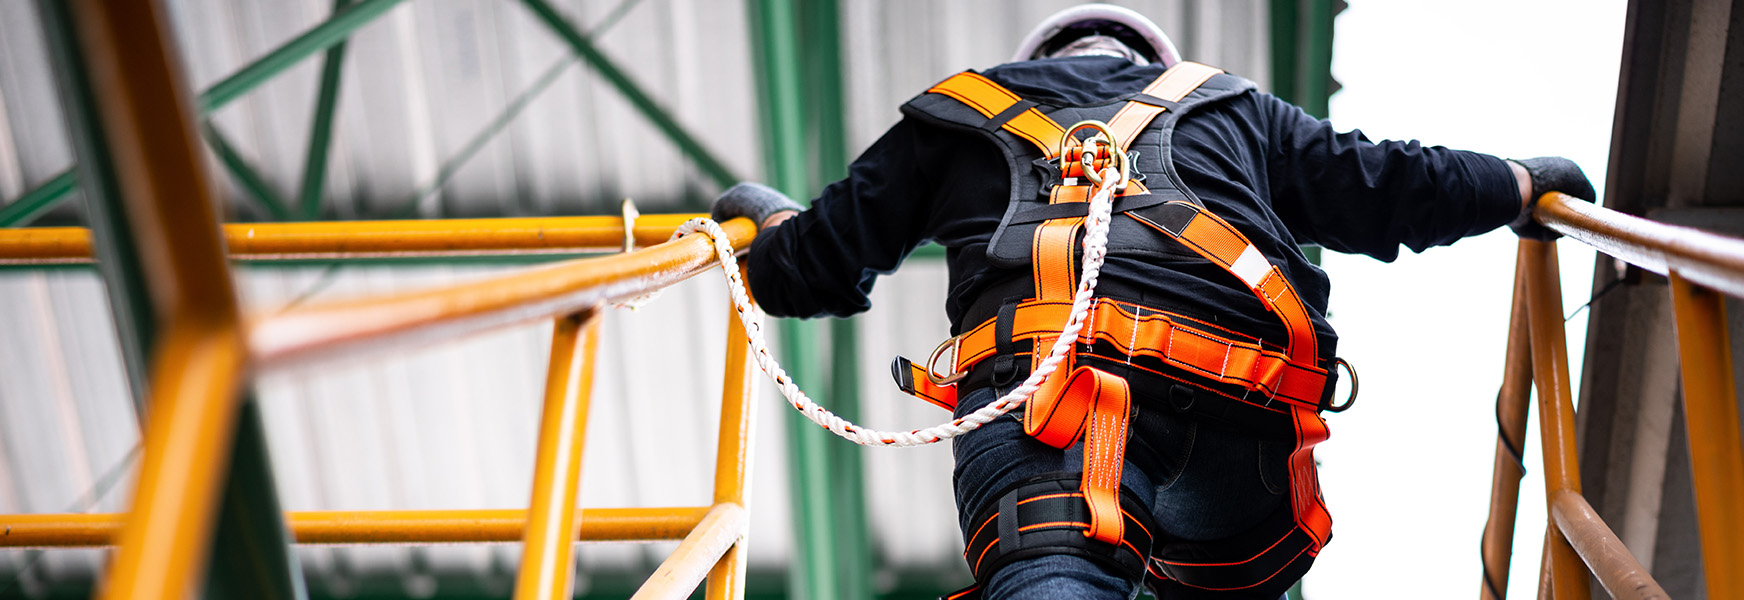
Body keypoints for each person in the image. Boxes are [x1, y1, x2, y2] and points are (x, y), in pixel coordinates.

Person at [711, 4, 1595, 599]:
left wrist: (762, 220)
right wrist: (1521, 187)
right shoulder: (1231, 107)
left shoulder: (952, 117)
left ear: (1032, 67)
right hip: (1241, 412)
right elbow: (1388, 182)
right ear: (1155, 67)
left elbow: (812, 266)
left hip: (1049, 409)